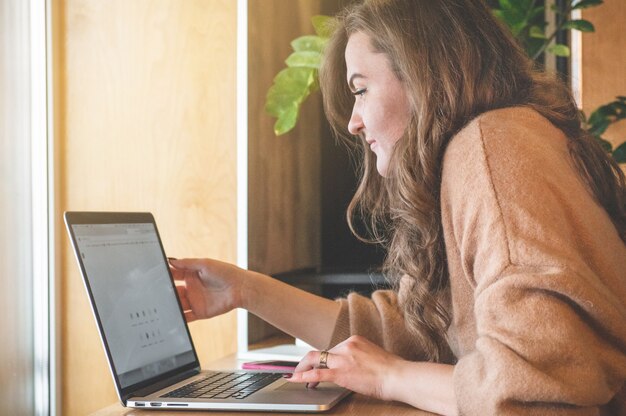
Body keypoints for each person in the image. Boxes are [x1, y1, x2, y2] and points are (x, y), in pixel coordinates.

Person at [170, 0, 626, 414]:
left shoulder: (491, 148)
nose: (353, 121)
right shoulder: (493, 144)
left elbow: (539, 396)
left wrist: (389, 376)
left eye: (361, 89)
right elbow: (412, 331)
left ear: (424, 75)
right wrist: (244, 291)